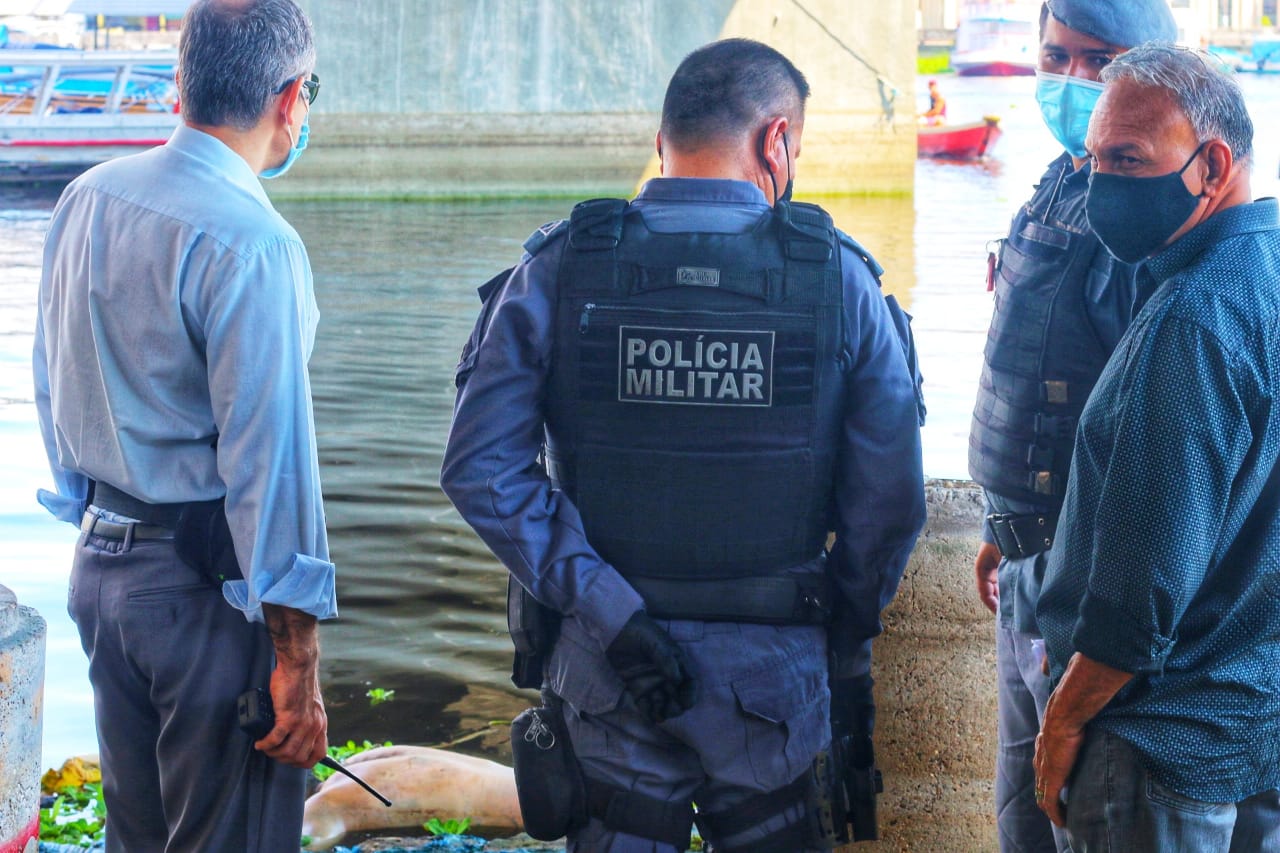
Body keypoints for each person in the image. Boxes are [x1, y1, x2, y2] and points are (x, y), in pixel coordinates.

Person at [441, 37, 926, 853]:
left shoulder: (562, 266)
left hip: (604, 674)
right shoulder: (837, 278)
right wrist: (833, 628)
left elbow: (481, 471)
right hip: (773, 687)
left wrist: (612, 614)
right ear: (776, 141)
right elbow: (889, 507)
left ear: (663, 137)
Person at [32, 0, 336, 849]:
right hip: (202, 596)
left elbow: (50, 386)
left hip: (100, 570)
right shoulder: (254, 243)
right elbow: (271, 465)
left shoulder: (86, 197)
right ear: (290, 100)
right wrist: (298, 659)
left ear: (179, 85)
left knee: (138, 835)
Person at [1033, 44, 1280, 851]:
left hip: (1156, 744)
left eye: (1128, 159)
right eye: (1094, 157)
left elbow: (1141, 590)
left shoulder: (1194, 318)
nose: (1101, 183)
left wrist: (1062, 722)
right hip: (1253, 723)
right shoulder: (1265, 267)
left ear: (1212, 166)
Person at [965, 2, 1176, 851]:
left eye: (1103, 60)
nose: (1077, 80)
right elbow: (1026, 369)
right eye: (1058, 56)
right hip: (1024, 564)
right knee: (1022, 818)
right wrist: (997, 520)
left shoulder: (1147, 215)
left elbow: (1153, 443)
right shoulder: (1061, 176)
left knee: (1078, 816)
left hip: (1089, 593)